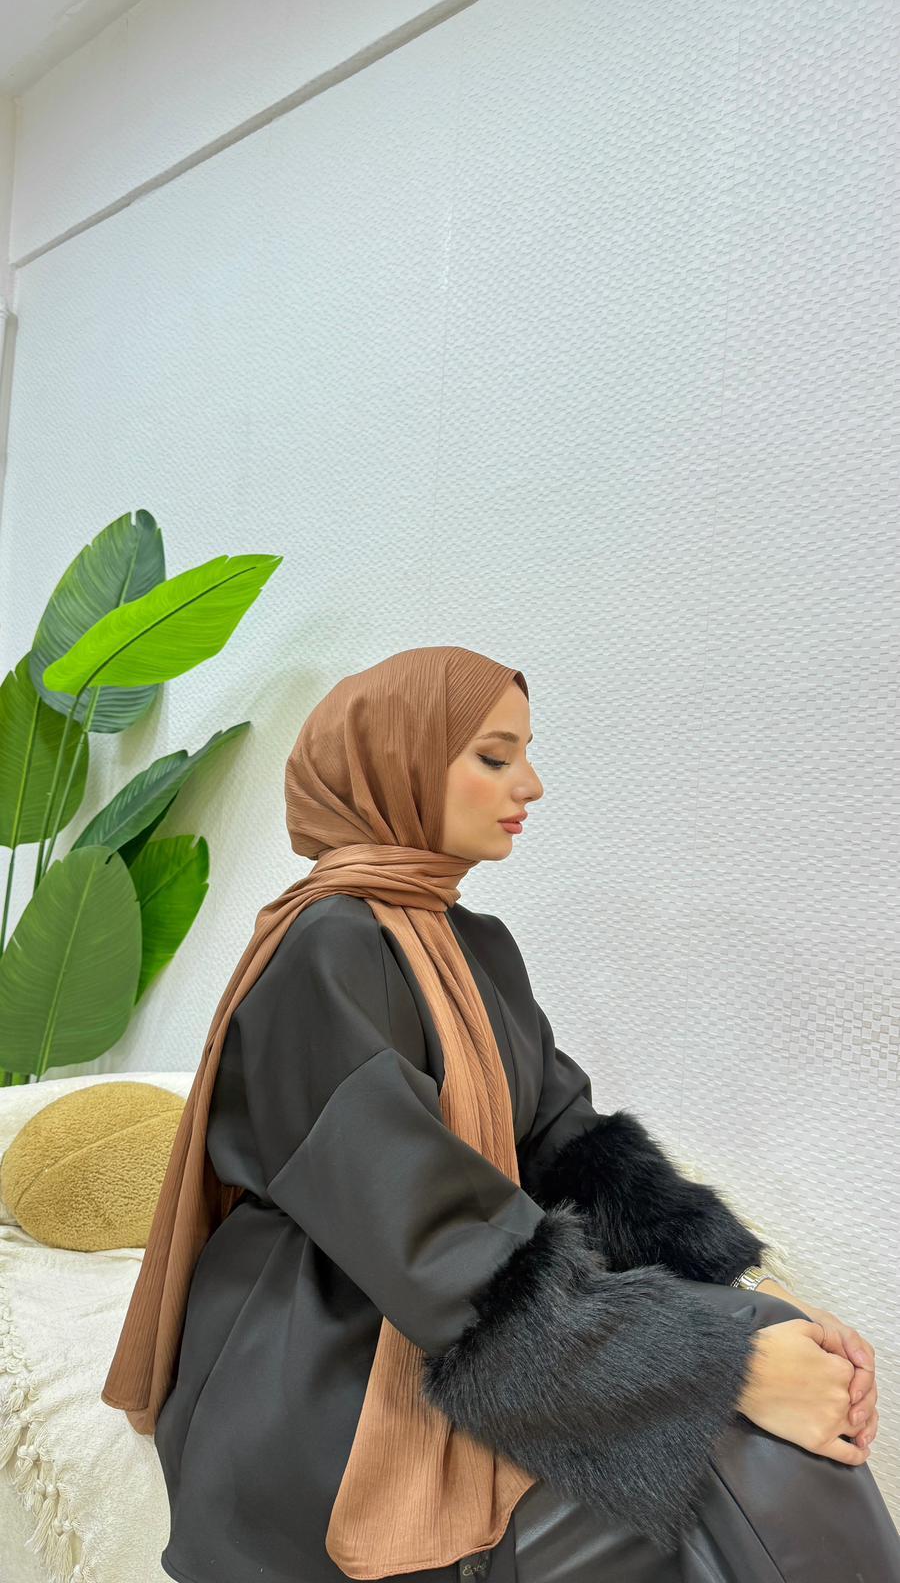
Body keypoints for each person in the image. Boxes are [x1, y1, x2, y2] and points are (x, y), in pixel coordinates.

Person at [100, 646, 900, 1583]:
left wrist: (746, 1292)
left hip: (445, 1303)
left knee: (764, 1357)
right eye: (493, 756)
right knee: (749, 1436)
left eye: (525, 754)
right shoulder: (326, 951)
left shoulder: (471, 943)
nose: (531, 785)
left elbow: (565, 1144)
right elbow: (423, 1228)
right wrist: (716, 1369)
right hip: (325, 1357)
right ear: (395, 764)